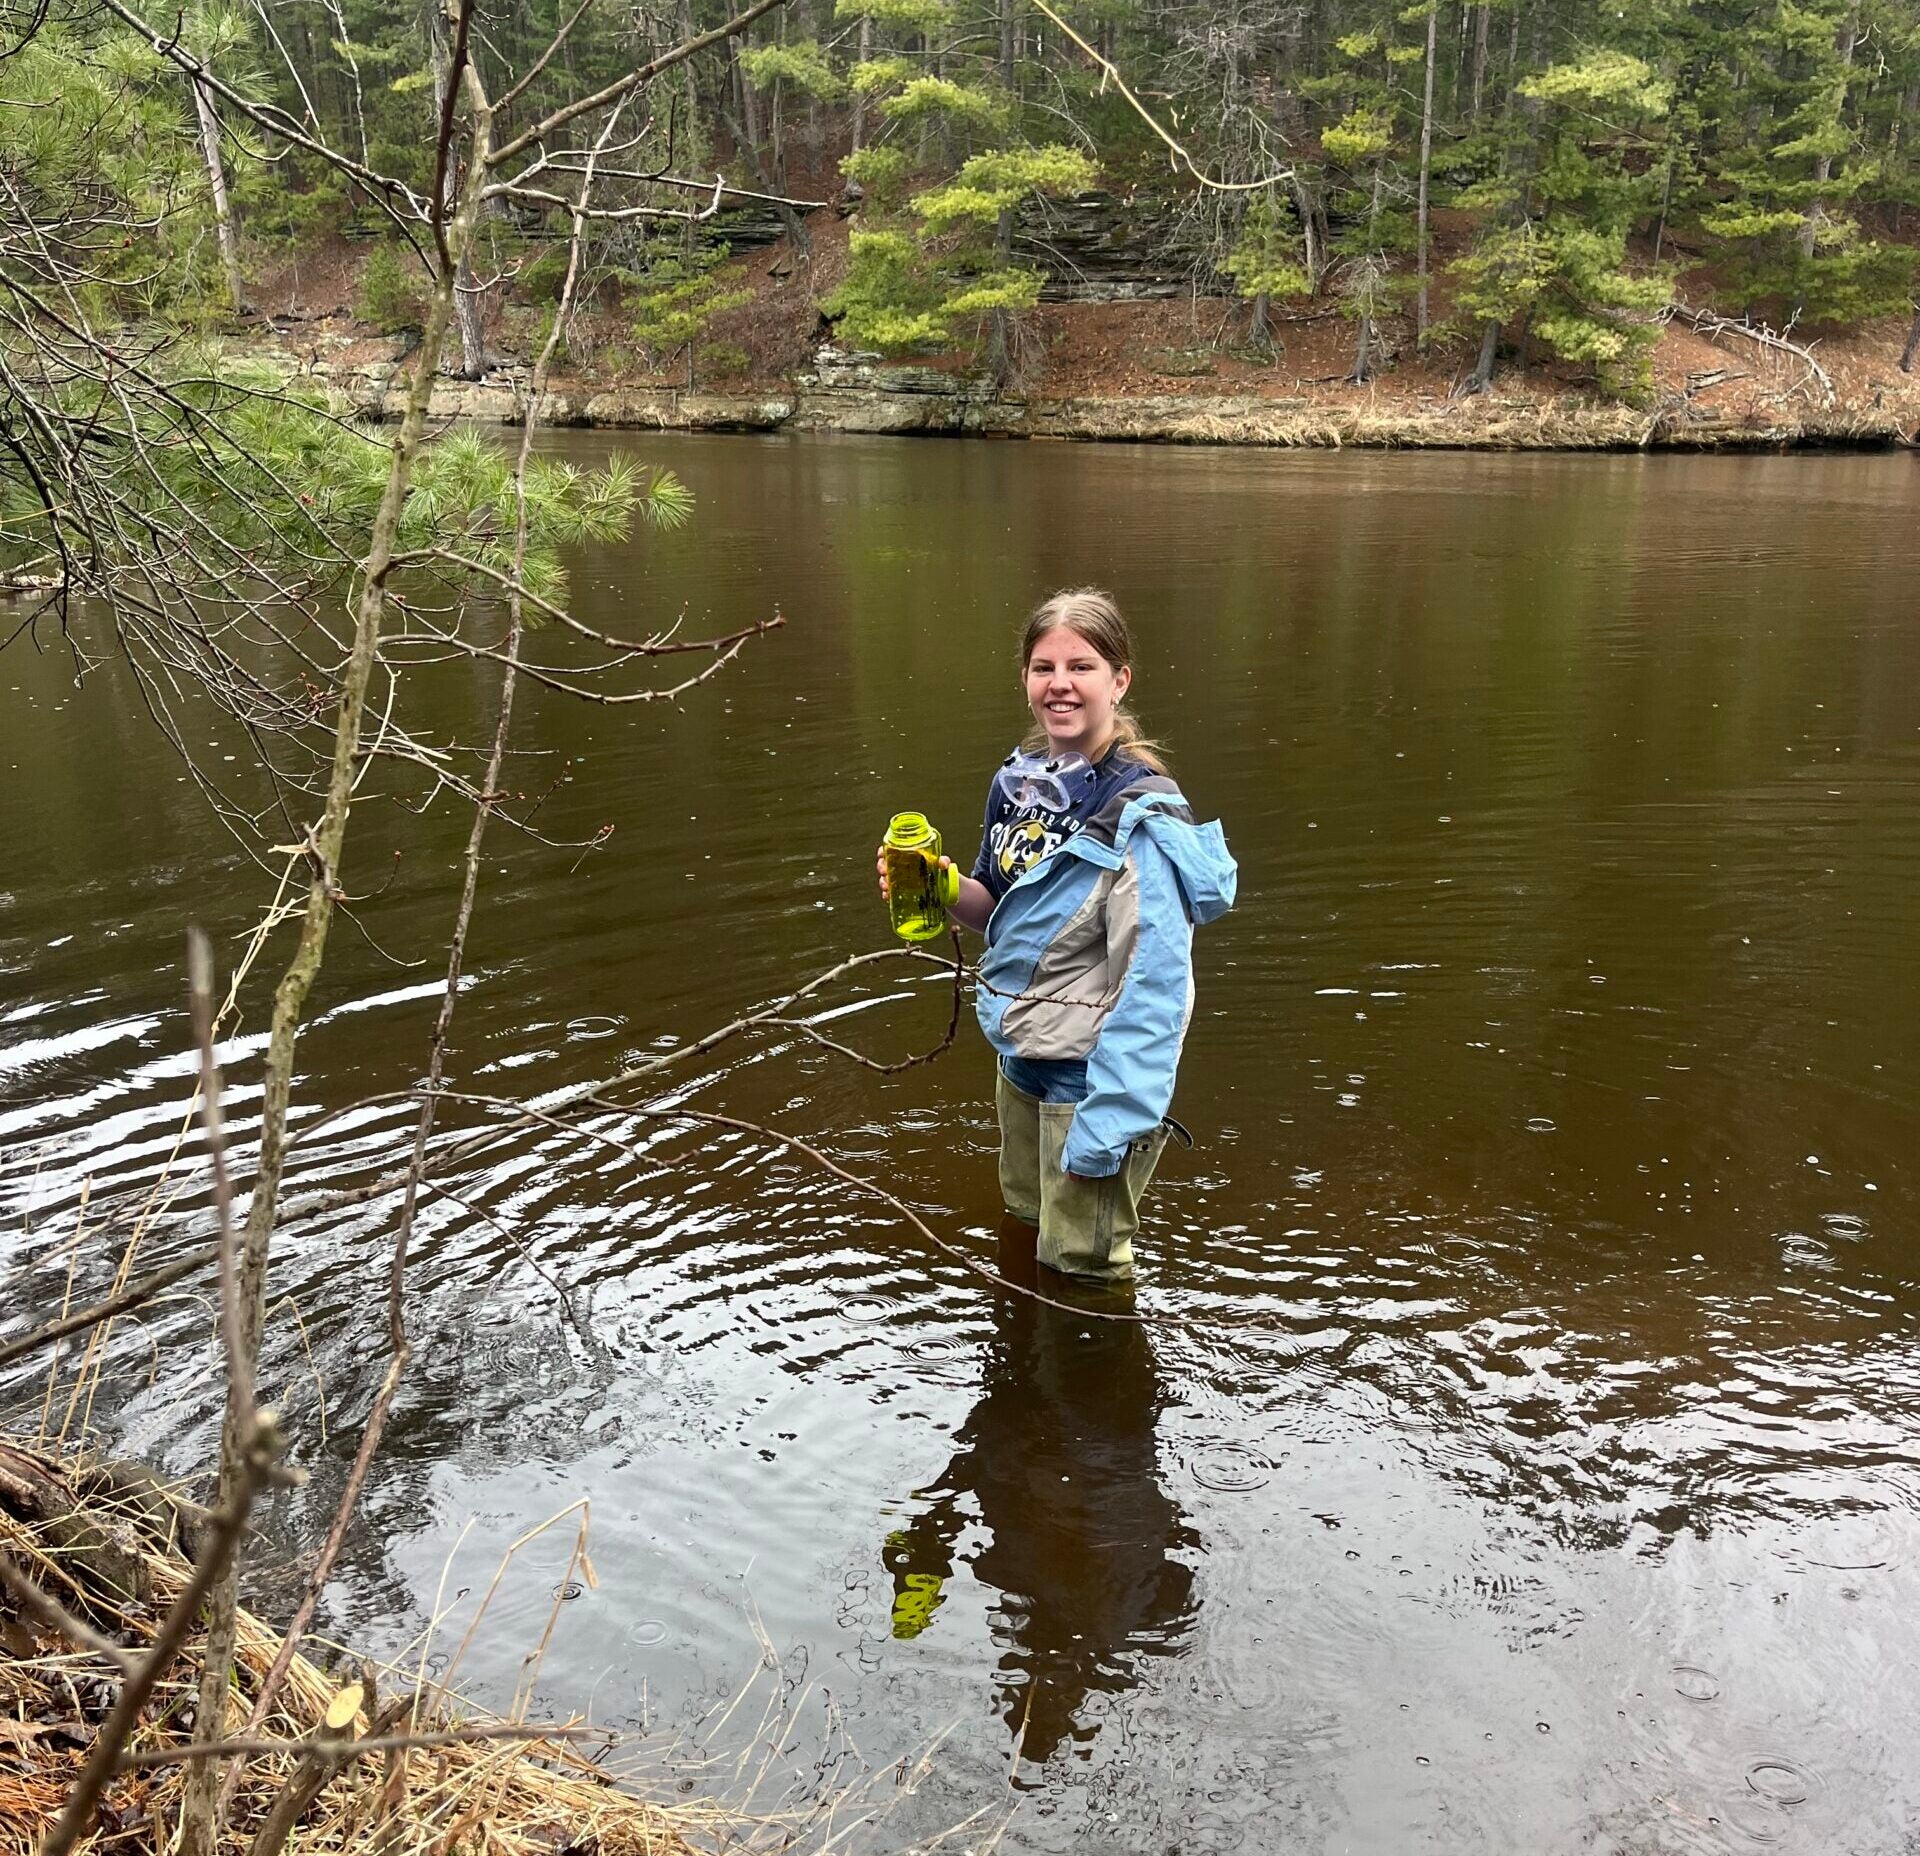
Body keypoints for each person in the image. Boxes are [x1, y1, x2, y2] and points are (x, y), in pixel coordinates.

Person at [877, 587, 1237, 1282]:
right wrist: (946, 890)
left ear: (1119, 680)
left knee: (1086, 1270)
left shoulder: (1141, 814)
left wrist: (1111, 1124)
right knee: (1025, 1226)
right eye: (1044, 667)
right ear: (1025, 679)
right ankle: (1020, 1379)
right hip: (1023, 1056)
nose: (1060, 684)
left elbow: (1156, 986)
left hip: (1091, 1079)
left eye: (1082, 666)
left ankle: (1100, 1385)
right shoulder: (1016, 785)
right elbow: (999, 911)